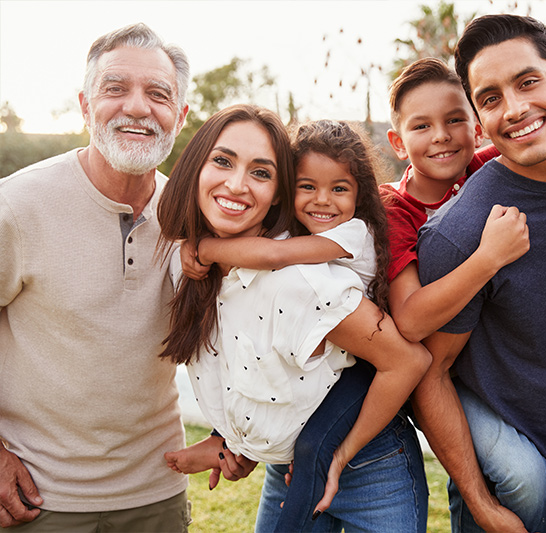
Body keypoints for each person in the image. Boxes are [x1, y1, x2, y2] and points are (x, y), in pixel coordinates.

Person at [157, 110, 431, 532]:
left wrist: (339, 456)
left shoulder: (302, 278)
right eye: (223, 161)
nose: (236, 184)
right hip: (287, 458)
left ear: (276, 192)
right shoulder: (196, 263)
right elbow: (256, 368)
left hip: (370, 464)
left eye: (260, 172)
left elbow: (407, 361)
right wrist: (240, 443)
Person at [0, 23, 201, 531]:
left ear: (178, 117)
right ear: (86, 107)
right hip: (39, 498)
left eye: (158, 94)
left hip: (158, 493)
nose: (137, 107)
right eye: (115, 88)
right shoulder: (16, 207)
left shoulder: (194, 217)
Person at [414, 15, 546, 532]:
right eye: (492, 98)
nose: (516, 109)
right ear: (479, 119)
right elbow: (430, 374)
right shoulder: (462, 235)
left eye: (528, 82)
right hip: (514, 497)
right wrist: (481, 502)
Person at [382, 57, 546, 344]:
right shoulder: (393, 207)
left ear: (478, 131)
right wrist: (489, 258)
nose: (441, 136)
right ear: (399, 143)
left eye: (454, 120)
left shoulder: (483, 167)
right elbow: (409, 321)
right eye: (421, 127)